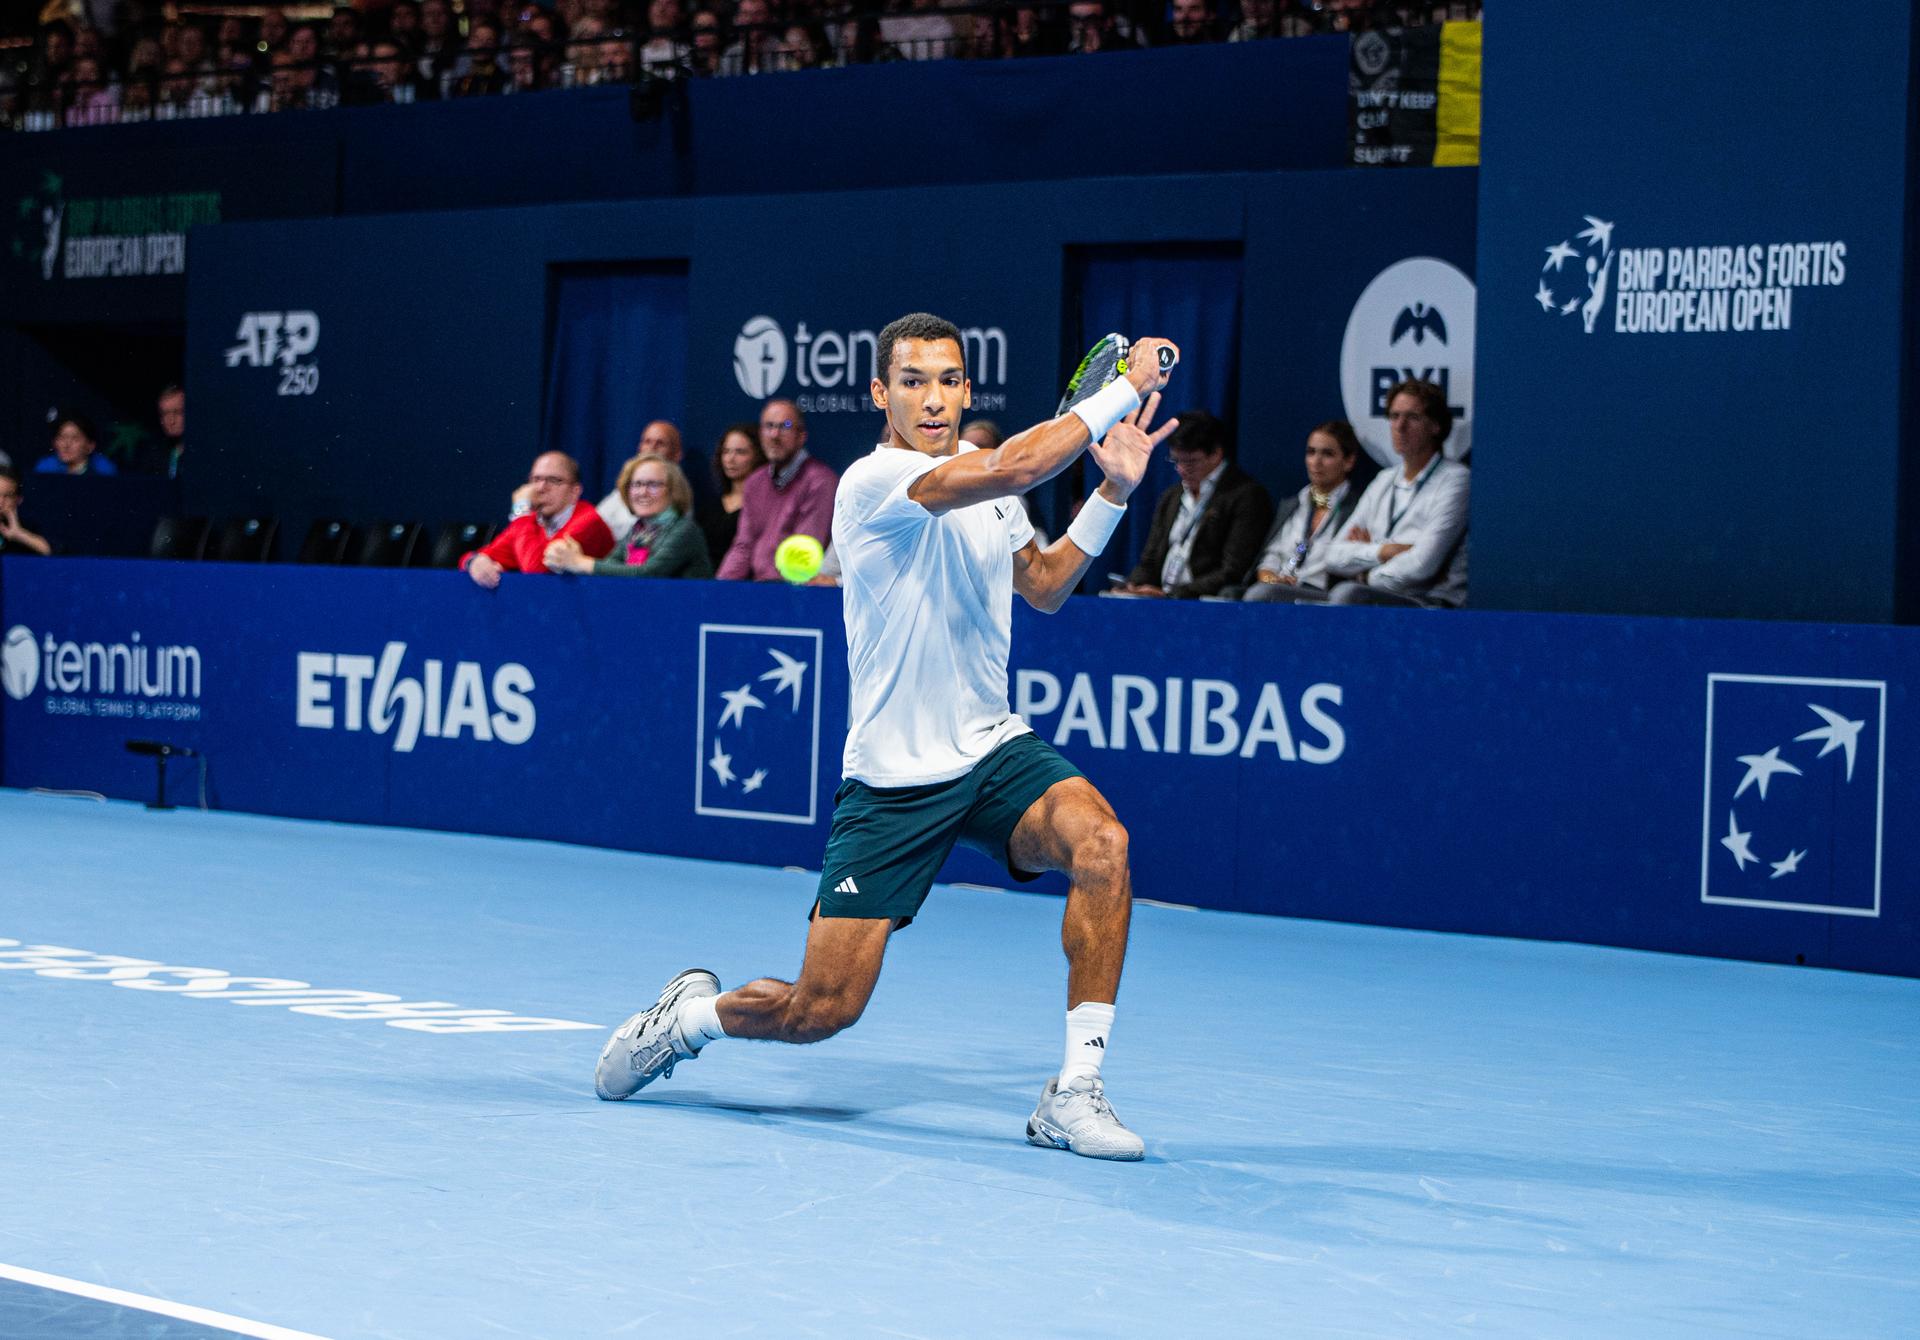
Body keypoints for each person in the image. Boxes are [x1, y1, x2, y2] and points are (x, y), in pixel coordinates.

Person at [595, 313, 1181, 1161]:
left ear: (967, 389)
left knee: (1103, 844)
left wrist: (1113, 492)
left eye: (948, 380)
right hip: (895, 782)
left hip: (991, 750)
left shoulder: (992, 495)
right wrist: (1130, 383)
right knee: (818, 1011)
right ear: (881, 393)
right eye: (913, 381)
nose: (933, 398)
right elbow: (1017, 460)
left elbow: (1047, 587)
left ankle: (1075, 1092)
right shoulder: (873, 482)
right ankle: (689, 1018)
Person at [1323, 378, 1470, 607]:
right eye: (1394, 416)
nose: (1400, 426)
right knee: (1263, 594)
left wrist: (1364, 575)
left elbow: (1421, 566)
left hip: (1429, 602)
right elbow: (1332, 555)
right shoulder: (1384, 480)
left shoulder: (1455, 480)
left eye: (1412, 417)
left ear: (1435, 426)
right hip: (1378, 596)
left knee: (1348, 594)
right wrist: (1383, 551)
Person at [1116, 410, 1271, 598]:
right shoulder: (1171, 496)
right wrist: (1133, 586)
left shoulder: (1246, 496)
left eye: (1190, 462)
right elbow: (1149, 560)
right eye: (1176, 460)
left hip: (1201, 601)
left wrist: (1172, 595)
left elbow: (1233, 571)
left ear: (1216, 453)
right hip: (1161, 598)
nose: (1181, 469)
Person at [1241, 420, 1366, 603]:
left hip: (1324, 595)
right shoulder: (1294, 504)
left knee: (1261, 596)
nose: (1316, 461)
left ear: (1348, 461)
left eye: (1327, 454)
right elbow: (1269, 561)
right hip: (1279, 589)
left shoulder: (1358, 508)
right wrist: (1272, 581)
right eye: (1311, 452)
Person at [715, 399, 837, 581]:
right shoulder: (755, 481)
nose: (774, 434)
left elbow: (806, 550)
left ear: (801, 435)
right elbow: (743, 546)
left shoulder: (820, 481)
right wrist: (719, 590)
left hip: (797, 590)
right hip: (759, 588)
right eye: (769, 426)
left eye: (785, 426)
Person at [544, 452, 712, 579]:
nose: (642, 492)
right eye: (637, 484)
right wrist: (574, 558)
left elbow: (648, 573)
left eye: (653, 484)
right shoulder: (639, 529)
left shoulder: (684, 529)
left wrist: (580, 562)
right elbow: (610, 566)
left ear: (673, 491)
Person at [462, 451, 614, 588]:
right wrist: (474, 562)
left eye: (554, 480)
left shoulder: (588, 520)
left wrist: (521, 512)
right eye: (535, 479)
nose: (541, 488)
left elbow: (537, 572)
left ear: (575, 491)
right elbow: (480, 555)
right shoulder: (530, 521)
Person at [595, 419, 683, 537]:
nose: (652, 448)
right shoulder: (628, 484)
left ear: (677, 455)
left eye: (660, 443)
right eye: (647, 441)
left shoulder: (678, 494)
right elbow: (597, 519)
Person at [700, 421, 765, 566]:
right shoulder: (709, 507)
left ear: (757, 456)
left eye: (740, 452)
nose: (730, 459)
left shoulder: (763, 507)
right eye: (726, 451)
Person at [37, 414, 116, 476]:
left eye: (75, 438)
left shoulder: (103, 470)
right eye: (62, 437)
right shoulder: (45, 467)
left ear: (90, 446)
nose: (66, 445)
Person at [0, 469, 53, 556]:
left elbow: (58, 556)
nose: (1, 502)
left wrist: (19, 534)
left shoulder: (27, 526)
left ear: (18, 500)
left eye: (8, 496)